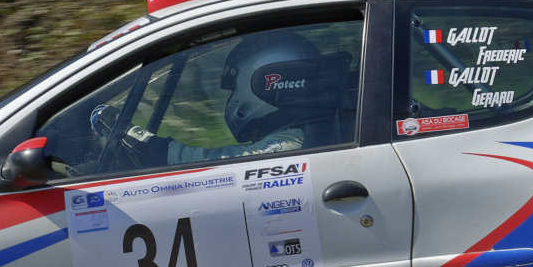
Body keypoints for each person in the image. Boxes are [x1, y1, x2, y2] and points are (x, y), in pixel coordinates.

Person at [104, 30, 351, 166]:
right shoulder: (311, 134)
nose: (232, 97)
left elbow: (215, 165)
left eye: (234, 87)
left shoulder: (292, 145)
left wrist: (142, 143)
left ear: (266, 82)